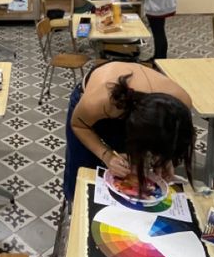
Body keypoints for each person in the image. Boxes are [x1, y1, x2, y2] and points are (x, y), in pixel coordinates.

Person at [63, 61, 194, 204]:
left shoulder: (181, 103)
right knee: (83, 175)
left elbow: (171, 136)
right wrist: (107, 156)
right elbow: (79, 126)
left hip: (131, 107)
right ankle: (74, 209)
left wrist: (165, 159)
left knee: (128, 169)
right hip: (90, 114)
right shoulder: (100, 101)